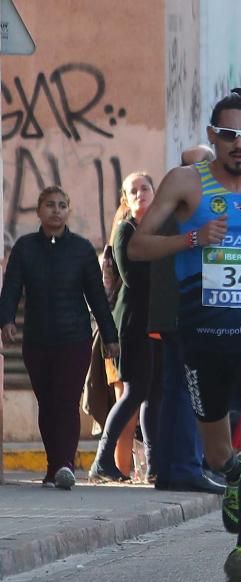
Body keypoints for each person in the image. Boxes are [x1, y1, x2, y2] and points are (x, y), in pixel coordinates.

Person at [129, 88, 241, 582]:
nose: (239, 144)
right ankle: (229, 478)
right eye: (228, 135)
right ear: (212, 137)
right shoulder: (187, 183)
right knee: (216, 452)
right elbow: (139, 245)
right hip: (203, 341)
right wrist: (192, 239)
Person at [0, 186, 119, 489]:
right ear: (39, 211)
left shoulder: (80, 250)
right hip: (37, 340)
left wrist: (109, 336)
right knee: (48, 403)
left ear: (69, 211)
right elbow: (11, 287)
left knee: (66, 401)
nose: (56, 210)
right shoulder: (25, 248)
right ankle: (54, 466)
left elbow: (96, 295)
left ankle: (65, 464)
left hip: (74, 338)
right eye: (50, 205)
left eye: (62, 205)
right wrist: (6, 320)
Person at [147, 144, 224, 494]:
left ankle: (169, 468)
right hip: (184, 310)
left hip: (172, 311)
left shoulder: (171, 204)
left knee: (175, 388)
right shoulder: (188, 207)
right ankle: (184, 467)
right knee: (188, 391)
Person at [88, 173, 163, 484]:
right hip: (132, 324)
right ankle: (102, 460)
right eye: (133, 191)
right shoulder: (126, 231)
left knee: (152, 396)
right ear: (125, 199)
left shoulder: (158, 230)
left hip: (155, 325)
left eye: (145, 188)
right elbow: (135, 278)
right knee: (133, 393)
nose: (140, 194)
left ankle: (155, 465)